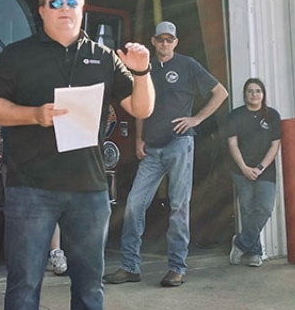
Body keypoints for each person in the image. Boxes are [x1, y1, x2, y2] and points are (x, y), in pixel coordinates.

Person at [0, 0, 155, 310]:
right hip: (31, 188)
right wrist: (34, 114)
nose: (63, 10)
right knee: (24, 284)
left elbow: (141, 107)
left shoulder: (102, 57)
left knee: (90, 285)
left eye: (70, 3)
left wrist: (142, 70)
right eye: (54, 3)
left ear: (83, 8)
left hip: (89, 189)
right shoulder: (18, 56)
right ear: (41, 11)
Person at [104, 21, 228, 288]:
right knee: (135, 204)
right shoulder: (143, 68)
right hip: (151, 148)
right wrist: (138, 138)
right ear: (153, 41)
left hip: (179, 144)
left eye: (169, 39)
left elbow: (221, 93)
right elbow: (141, 107)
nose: (164, 43)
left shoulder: (188, 65)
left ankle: (176, 268)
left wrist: (196, 119)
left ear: (176, 42)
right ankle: (129, 266)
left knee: (178, 206)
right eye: (160, 39)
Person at [0, 121, 67, 275]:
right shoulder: (9, 98)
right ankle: (25, 257)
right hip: (14, 159)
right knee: (17, 209)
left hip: (45, 157)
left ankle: (55, 252)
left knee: (48, 205)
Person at [225, 78, 282, 267]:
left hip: (264, 170)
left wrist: (259, 168)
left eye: (258, 91)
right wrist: (244, 168)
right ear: (245, 94)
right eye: (250, 91)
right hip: (241, 170)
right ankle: (255, 253)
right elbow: (232, 144)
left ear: (263, 94)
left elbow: (275, 145)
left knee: (264, 208)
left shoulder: (272, 115)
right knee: (248, 210)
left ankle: (240, 243)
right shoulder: (235, 115)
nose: (254, 94)